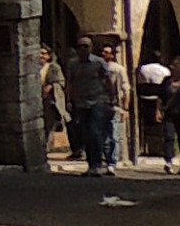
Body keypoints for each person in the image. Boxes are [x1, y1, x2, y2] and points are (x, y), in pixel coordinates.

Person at [64, 34, 112, 175]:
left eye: (86, 46)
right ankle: (91, 164)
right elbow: (70, 83)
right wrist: (68, 100)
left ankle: (97, 164)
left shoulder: (99, 62)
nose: (83, 49)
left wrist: (112, 98)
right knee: (85, 133)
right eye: (80, 46)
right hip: (81, 102)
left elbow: (108, 81)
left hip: (97, 100)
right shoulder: (73, 64)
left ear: (91, 48)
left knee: (95, 131)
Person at [99, 36, 131, 169]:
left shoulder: (118, 69)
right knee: (102, 134)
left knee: (113, 134)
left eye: (106, 52)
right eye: (102, 52)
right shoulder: (98, 67)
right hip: (100, 104)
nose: (103, 54)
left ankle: (112, 161)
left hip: (115, 105)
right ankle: (104, 159)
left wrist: (125, 108)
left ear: (112, 55)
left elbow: (126, 88)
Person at [40, 44, 68, 159]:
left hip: (50, 101)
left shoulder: (54, 67)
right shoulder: (35, 67)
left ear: (48, 56)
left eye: (43, 53)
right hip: (38, 100)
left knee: (48, 126)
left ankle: (45, 149)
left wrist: (51, 86)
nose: (40, 56)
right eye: (39, 53)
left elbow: (61, 82)